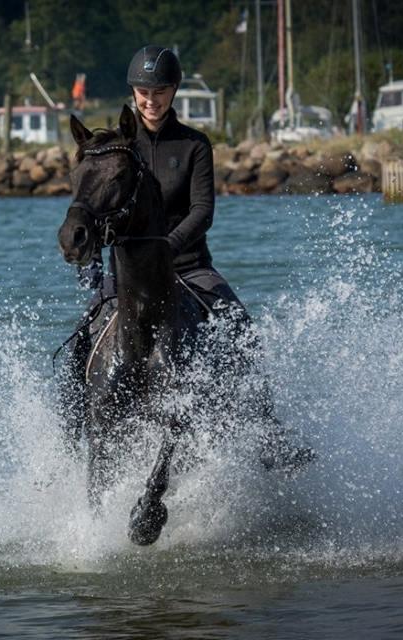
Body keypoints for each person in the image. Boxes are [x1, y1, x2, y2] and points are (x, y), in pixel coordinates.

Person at [60, 46, 250, 442]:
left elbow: (203, 211)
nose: (151, 99)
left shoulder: (194, 145)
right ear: (133, 93)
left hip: (189, 267)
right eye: (143, 92)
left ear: (174, 90)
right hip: (128, 275)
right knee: (79, 341)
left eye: (160, 90)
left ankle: (264, 429)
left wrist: (168, 244)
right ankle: (71, 431)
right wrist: (91, 258)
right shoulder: (119, 148)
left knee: (239, 327)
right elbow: (97, 207)